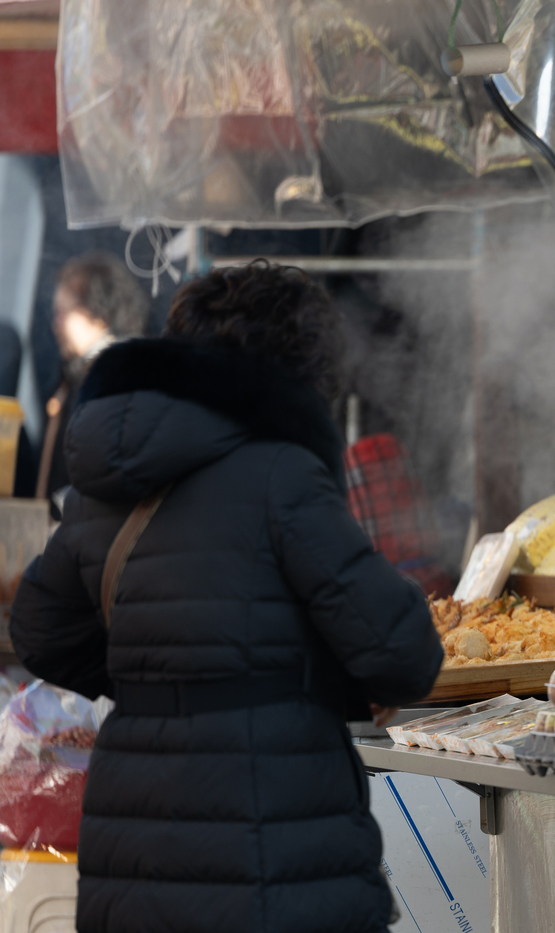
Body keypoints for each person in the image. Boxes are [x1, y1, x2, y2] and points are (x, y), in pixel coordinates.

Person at [10, 261, 443, 933]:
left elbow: (37, 628)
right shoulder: (283, 472)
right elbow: (404, 652)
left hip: (132, 865)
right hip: (272, 871)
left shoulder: (104, 487)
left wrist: (159, 675)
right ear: (300, 374)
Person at [38, 252, 150, 504]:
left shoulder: (116, 377)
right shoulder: (79, 375)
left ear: (99, 313)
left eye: (64, 312)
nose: (56, 324)